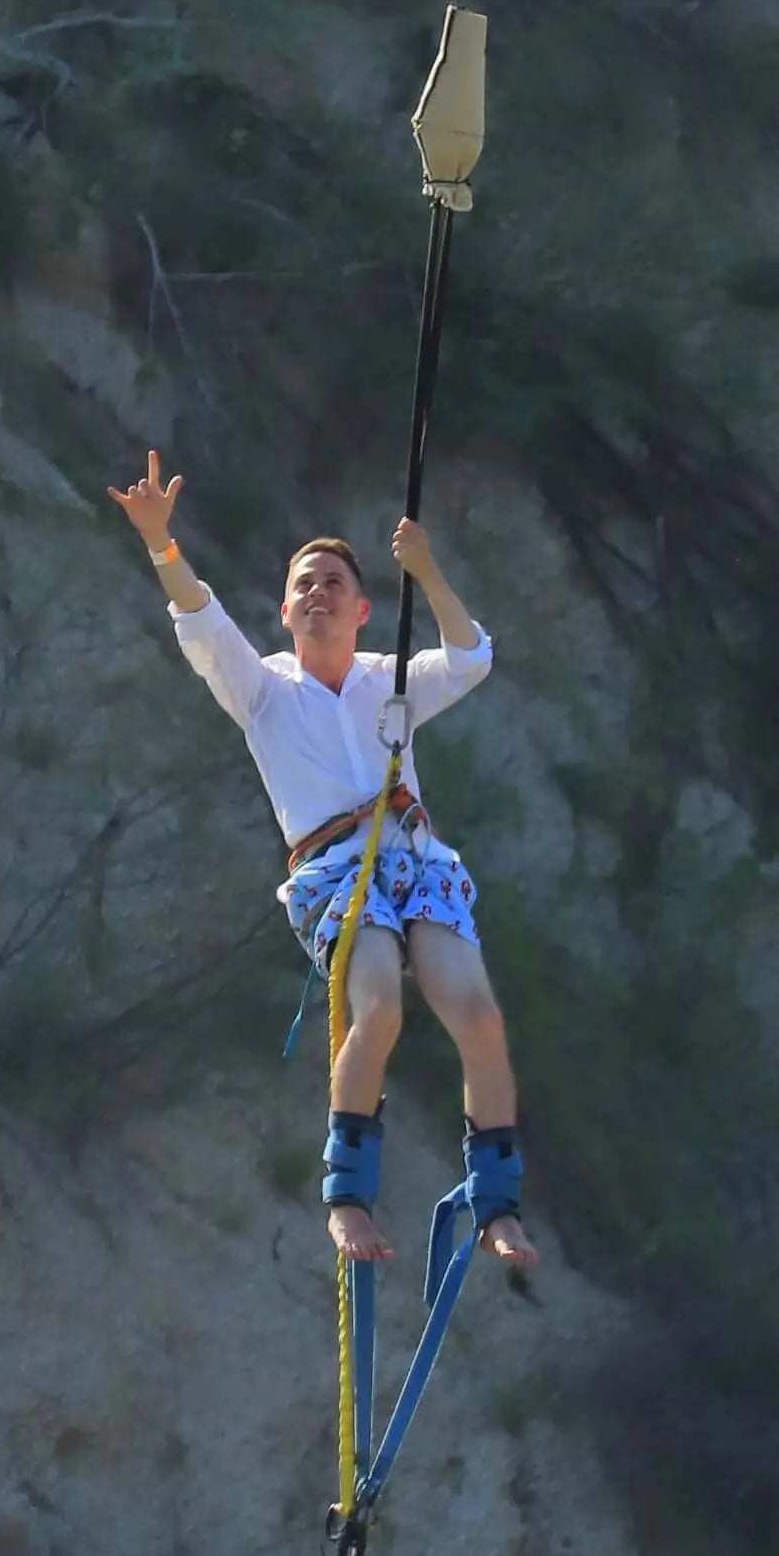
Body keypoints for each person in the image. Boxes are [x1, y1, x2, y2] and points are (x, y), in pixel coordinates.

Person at [108, 451, 536, 1269]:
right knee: (378, 1007)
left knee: (478, 1016)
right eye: (303, 584)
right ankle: (346, 1198)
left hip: (417, 861)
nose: (317, 593)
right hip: (339, 873)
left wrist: (430, 571)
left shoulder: (389, 680)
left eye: (334, 583)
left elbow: (471, 656)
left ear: (364, 609)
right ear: (284, 610)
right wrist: (163, 545)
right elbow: (200, 620)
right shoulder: (263, 690)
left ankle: (499, 1207)